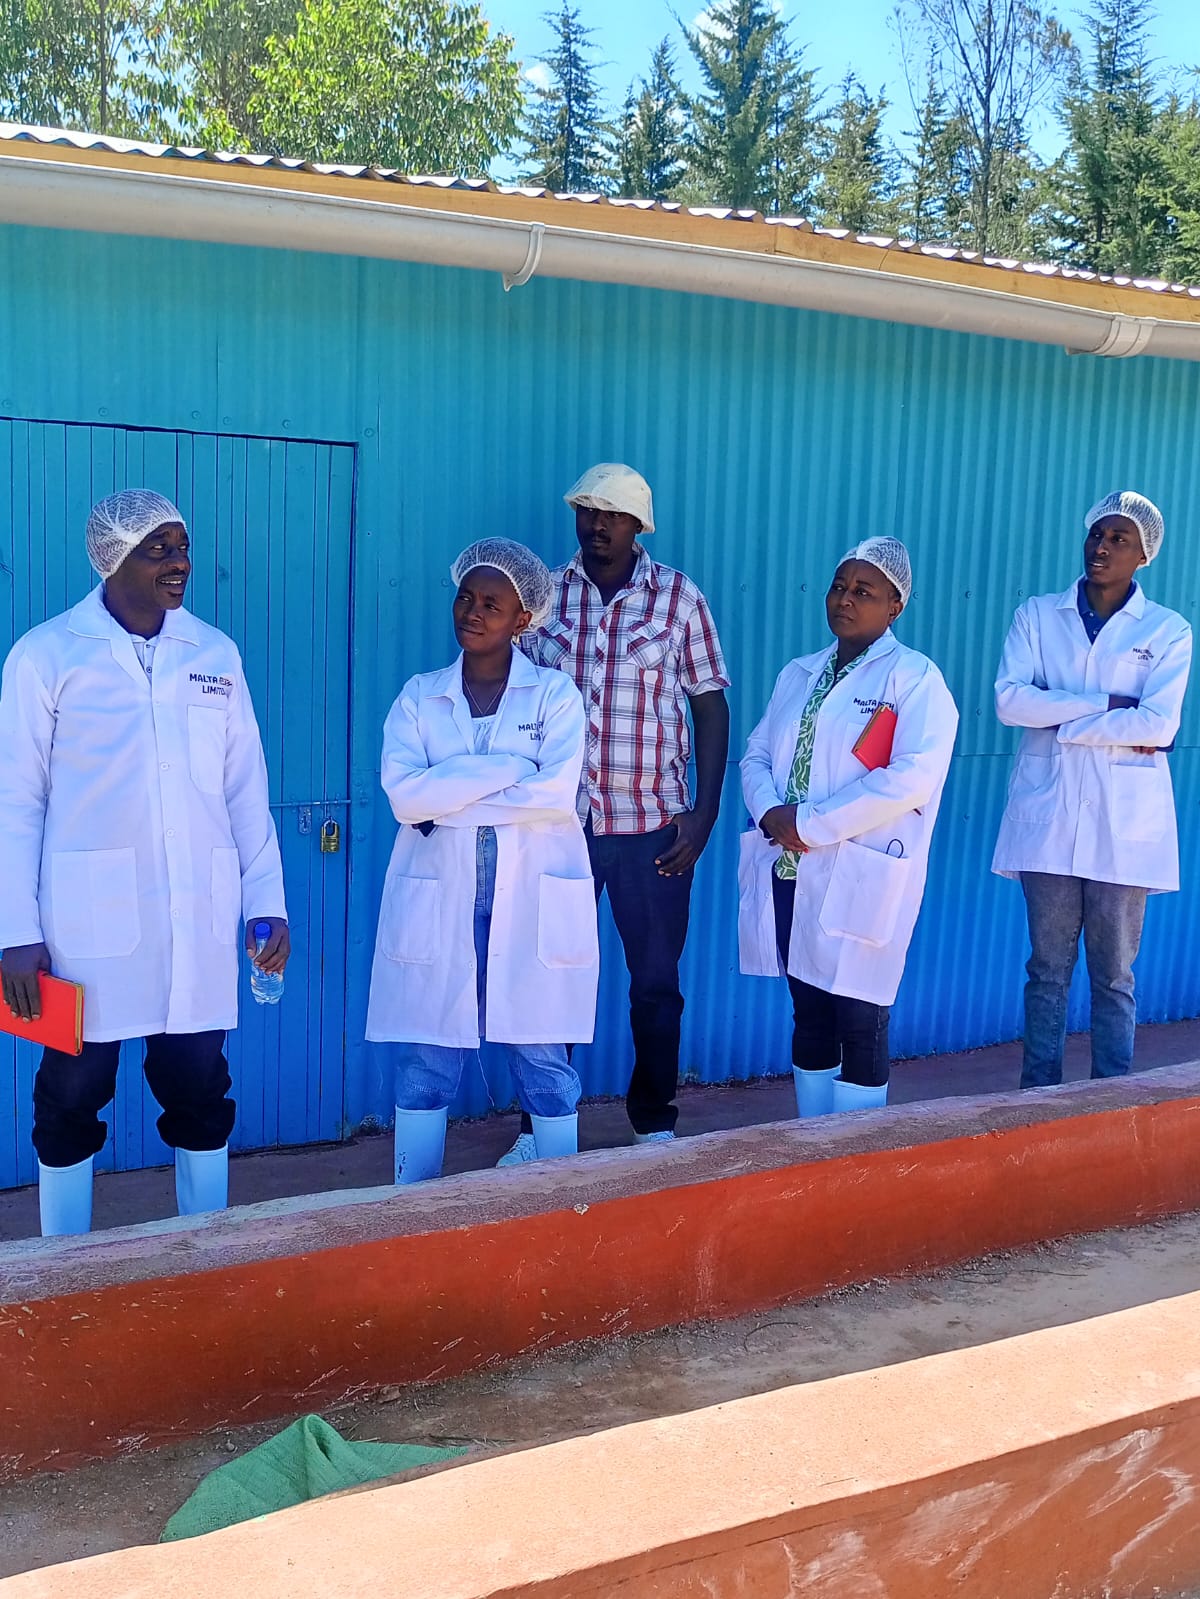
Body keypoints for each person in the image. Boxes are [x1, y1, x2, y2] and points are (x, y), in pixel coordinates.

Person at [0, 491, 289, 1236]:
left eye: (182, 545)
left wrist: (267, 900)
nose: (179, 562)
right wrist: (15, 931)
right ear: (112, 558)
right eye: (157, 549)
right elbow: (16, 800)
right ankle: (64, 1260)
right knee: (72, 1091)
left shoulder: (214, 654)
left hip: (195, 915)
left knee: (200, 1085)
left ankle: (207, 1247)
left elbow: (245, 790)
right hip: (81, 924)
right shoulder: (47, 655)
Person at [501, 463, 730, 1160]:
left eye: (613, 515)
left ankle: (653, 1122)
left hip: (652, 826)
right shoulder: (547, 597)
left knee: (655, 984)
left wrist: (705, 812)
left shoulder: (678, 599)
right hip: (561, 828)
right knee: (550, 979)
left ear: (639, 526)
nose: (597, 525)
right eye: (587, 511)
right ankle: (542, 1131)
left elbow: (709, 704)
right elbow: (512, 696)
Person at [366, 538, 598, 1183]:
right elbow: (404, 797)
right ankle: (413, 1203)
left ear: (523, 619)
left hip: (531, 897)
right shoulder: (421, 696)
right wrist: (508, 769)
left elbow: (554, 796)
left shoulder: (554, 695)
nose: (473, 611)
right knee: (426, 1058)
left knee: (543, 1057)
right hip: (440, 896)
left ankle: (561, 1198)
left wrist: (448, 793)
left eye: (492, 604)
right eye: (466, 597)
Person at [739, 539, 958, 1115]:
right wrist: (770, 813)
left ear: (895, 606)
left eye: (864, 591)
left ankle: (858, 1155)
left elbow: (912, 778)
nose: (845, 599)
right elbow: (756, 752)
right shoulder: (798, 674)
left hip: (862, 869)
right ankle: (814, 1144)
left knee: (861, 1017)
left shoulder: (915, 679)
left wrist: (809, 824)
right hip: (790, 866)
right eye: (839, 586)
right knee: (809, 1011)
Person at [992, 491, 1192, 1088]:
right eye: (1097, 534)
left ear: (1143, 555)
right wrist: (1109, 706)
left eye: (1118, 539)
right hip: (1048, 819)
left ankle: (1112, 1101)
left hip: (1123, 829)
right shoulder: (1037, 615)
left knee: (1114, 978)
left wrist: (1059, 719)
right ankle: (1037, 1101)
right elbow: (1009, 702)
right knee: (1047, 972)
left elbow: (1158, 725)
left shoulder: (1168, 630)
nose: (1101, 547)